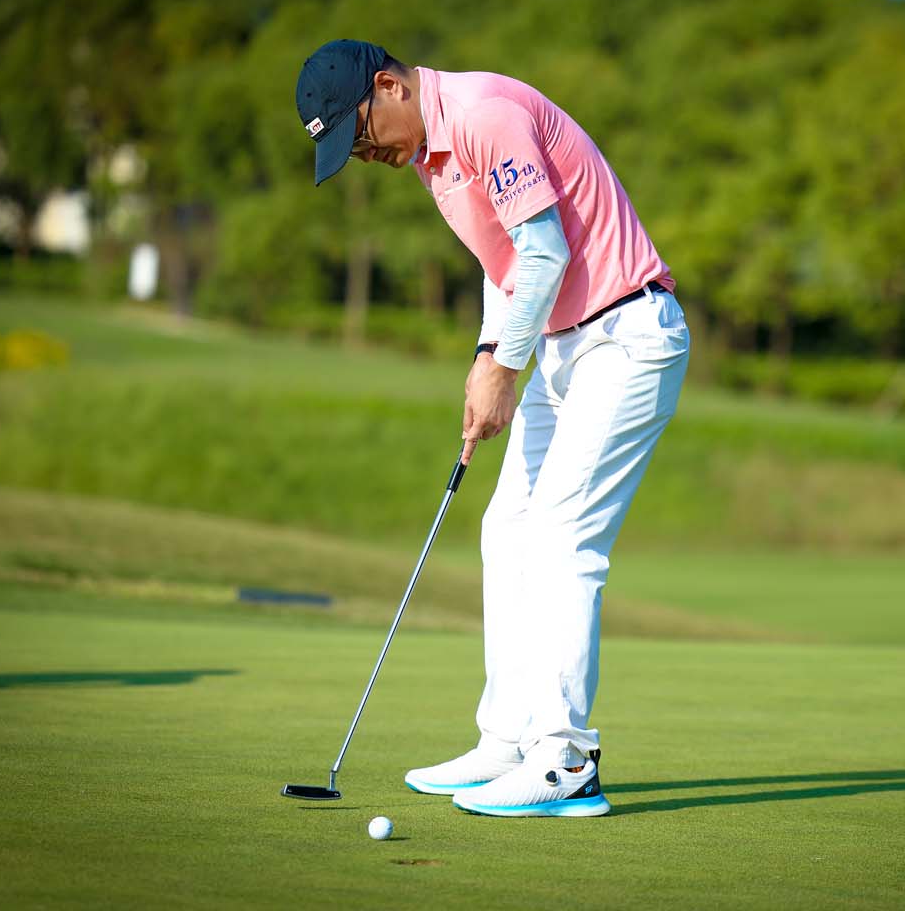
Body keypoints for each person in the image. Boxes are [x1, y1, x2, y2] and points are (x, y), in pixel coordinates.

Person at [295, 40, 690, 817]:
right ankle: (506, 742)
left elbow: (545, 253)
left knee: (561, 538)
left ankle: (565, 760)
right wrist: (488, 354)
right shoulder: (432, 156)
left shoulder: (482, 116)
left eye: (360, 133)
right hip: (562, 345)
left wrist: (503, 369)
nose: (365, 154)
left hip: (627, 337)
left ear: (389, 86)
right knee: (506, 531)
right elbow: (502, 261)